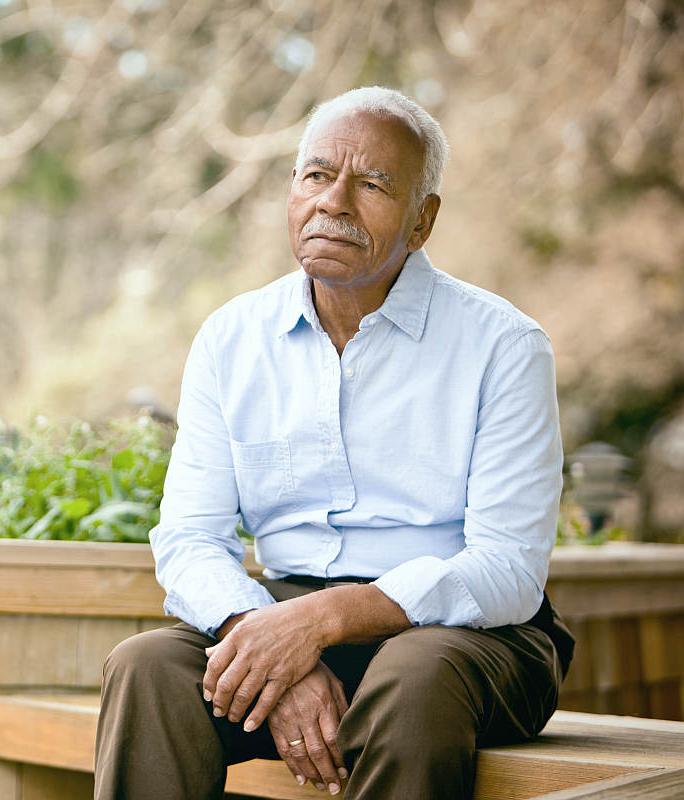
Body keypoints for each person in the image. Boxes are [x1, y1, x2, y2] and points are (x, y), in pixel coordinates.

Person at [94, 86, 574, 800]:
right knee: (147, 668)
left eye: (373, 184)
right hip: (282, 611)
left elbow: (508, 567)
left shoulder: (503, 346)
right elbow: (190, 538)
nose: (335, 202)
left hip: (465, 638)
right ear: (293, 189)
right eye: (316, 175)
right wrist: (270, 637)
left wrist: (320, 622)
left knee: (413, 680)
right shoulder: (232, 338)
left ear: (422, 221)